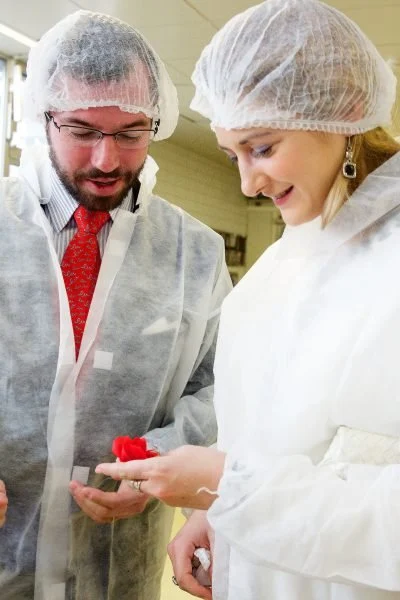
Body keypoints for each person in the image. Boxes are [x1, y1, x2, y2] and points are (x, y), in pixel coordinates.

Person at [95, 1, 400, 599]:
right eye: (233, 154)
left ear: (341, 113)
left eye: (262, 147)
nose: (247, 184)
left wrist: (228, 488)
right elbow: (267, 441)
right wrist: (216, 513)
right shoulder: (280, 266)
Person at [0, 9, 232, 600]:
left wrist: (160, 460)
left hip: (115, 569)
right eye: (81, 130)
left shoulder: (194, 254)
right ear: (42, 118)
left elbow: (225, 387)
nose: (107, 160)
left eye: (130, 133)